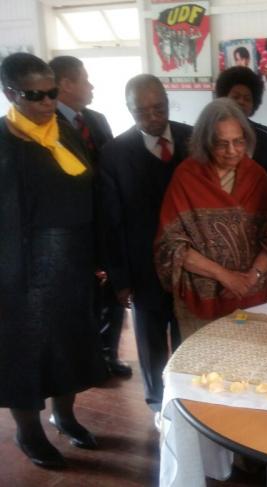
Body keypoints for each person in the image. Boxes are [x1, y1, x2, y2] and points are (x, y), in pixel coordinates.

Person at [0, 52, 107, 468]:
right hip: (22, 273)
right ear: (11, 93)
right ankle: (29, 432)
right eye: (36, 95)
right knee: (25, 355)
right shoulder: (5, 141)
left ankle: (65, 416)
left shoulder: (65, 131)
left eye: (51, 92)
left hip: (73, 264)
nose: (48, 102)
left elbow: (90, 195)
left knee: (72, 346)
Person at [100, 74, 192, 418]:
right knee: (151, 340)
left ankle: (186, 398)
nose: (153, 117)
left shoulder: (193, 138)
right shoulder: (114, 154)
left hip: (191, 263)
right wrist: (120, 279)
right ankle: (157, 403)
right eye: (142, 111)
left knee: (188, 334)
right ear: (129, 110)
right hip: (143, 266)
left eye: (159, 108)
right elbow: (111, 223)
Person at [155, 98, 267, 340]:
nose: (232, 151)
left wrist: (252, 277)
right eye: (222, 144)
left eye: (238, 141)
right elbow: (172, 245)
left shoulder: (256, 176)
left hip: (253, 297)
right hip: (201, 303)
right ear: (205, 142)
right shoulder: (186, 177)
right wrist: (224, 276)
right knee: (205, 363)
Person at [48, 55, 132, 378]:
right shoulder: (46, 123)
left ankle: (108, 355)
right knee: (81, 299)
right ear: (66, 84)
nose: (91, 86)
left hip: (105, 222)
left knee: (113, 291)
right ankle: (85, 359)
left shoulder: (96, 120)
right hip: (72, 230)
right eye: (85, 79)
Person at [215, 66, 267, 182]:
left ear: (254, 104)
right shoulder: (211, 133)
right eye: (236, 97)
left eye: (247, 99)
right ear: (223, 98)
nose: (241, 102)